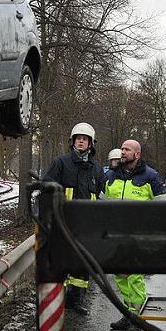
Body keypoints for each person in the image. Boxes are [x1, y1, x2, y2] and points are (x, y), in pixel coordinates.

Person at [104, 139, 166, 331]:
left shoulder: (151, 176)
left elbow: (163, 208)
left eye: (126, 149)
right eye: (122, 149)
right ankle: (128, 314)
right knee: (121, 277)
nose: (122, 152)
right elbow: (102, 204)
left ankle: (137, 320)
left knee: (134, 278)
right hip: (116, 236)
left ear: (137, 154)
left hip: (138, 237)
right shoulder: (111, 176)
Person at [45, 122, 104, 314]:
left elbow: (100, 195)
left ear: (90, 143)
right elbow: (46, 189)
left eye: (84, 139)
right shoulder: (60, 163)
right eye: (78, 138)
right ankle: (58, 299)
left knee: (82, 265)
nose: (81, 141)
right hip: (63, 223)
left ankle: (76, 299)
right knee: (62, 262)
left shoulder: (96, 167)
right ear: (72, 142)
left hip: (86, 226)